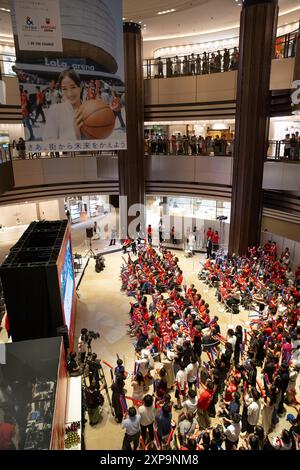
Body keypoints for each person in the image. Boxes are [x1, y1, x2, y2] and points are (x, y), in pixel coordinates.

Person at [43, 68, 85, 140]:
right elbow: (49, 142)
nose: (70, 94)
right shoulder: (54, 111)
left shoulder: (90, 110)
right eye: (64, 89)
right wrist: (76, 137)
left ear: (80, 86)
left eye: (73, 87)